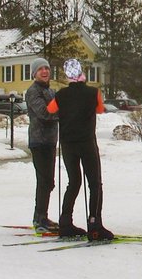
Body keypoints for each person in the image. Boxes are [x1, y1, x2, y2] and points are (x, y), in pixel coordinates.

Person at [46, 58, 113, 240]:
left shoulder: (61, 95)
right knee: (95, 183)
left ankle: (66, 222)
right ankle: (94, 224)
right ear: (82, 73)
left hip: (68, 144)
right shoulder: (93, 92)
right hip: (86, 142)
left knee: (74, 182)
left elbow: (51, 110)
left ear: (67, 75)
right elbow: (100, 109)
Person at [24, 57, 59, 231]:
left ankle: (43, 216)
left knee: (49, 182)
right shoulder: (33, 91)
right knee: (44, 181)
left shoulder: (51, 91)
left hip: (50, 141)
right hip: (39, 141)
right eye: (40, 69)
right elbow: (45, 113)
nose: (44, 71)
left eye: (46, 68)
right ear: (34, 74)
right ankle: (39, 219)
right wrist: (64, 114)